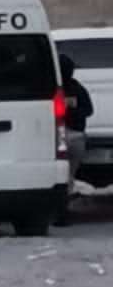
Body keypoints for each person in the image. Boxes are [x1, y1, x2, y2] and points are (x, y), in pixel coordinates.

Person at [57, 54, 95, 226]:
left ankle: (60, 212)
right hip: (75, 135)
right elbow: (88, 110)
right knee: (68, 175)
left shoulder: (53, 88)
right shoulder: (77, 88)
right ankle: (62, 211)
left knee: (62, 175)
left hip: (60, 134)